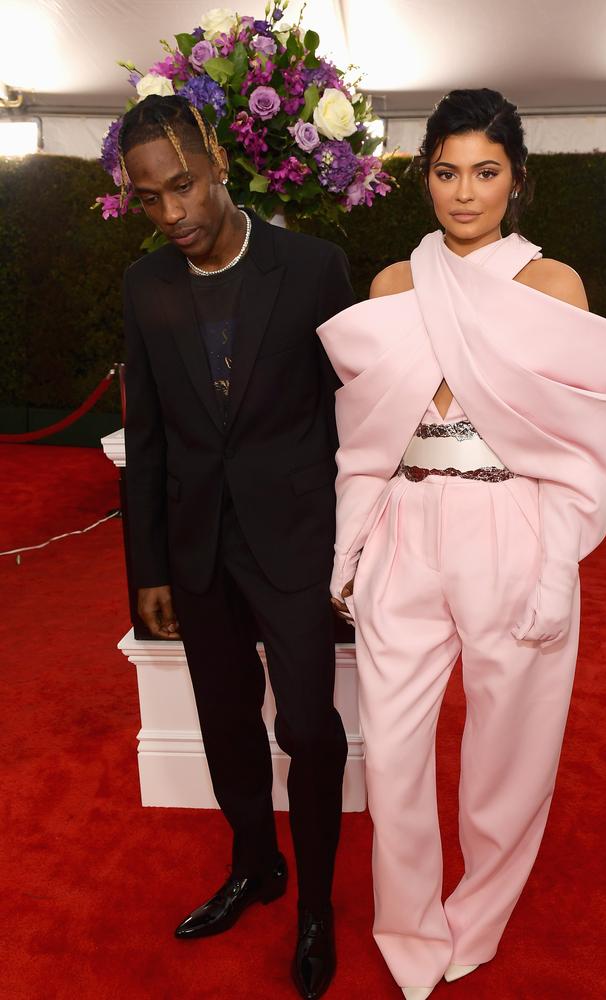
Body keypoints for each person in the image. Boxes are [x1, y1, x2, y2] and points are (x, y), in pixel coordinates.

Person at [317, 89, 606, 998]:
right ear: (425, 177)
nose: (465, 193)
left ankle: (480, 916)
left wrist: (554, 558)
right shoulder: (391, 286)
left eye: (486, 173)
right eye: (448, 171)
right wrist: (351, 547)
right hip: (410, 526)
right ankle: (409, 924)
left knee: (512, 748)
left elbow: (582, 446)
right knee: (391, 747)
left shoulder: (552, 286)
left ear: (517, 181)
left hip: (512, 524)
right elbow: (366, 442)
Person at [120, 94, 355, 1000]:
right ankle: (255, 865)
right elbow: (150, 438)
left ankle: (317, 911)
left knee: (308, 729)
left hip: (294, 542)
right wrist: (147, 569)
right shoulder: (145, 286)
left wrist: (352, 548)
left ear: (216, 156)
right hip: (196, 549)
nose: (172, 213)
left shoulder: (312, 266)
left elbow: (353, 418)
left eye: (182, 185)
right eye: (150, 198)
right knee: (226, 722)